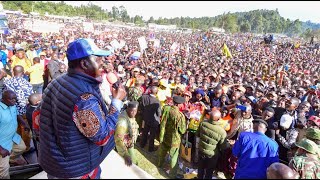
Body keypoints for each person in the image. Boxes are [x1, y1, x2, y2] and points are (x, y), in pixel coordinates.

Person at [38, 38, 127, 179]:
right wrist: (116, 102)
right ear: (84, 63)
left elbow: (38, 119)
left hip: (56, 164)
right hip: (76, 170)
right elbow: (102, 137)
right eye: (98, 60)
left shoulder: (56, 82)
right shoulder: (84, 97)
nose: (102, 64)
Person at [0, 90, 28, 179]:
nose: (15, 101)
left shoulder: (12, 105)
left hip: (12, 137)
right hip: (2, 143)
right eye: (12, 99)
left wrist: (24, 123)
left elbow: (16, 114)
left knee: (22, 148)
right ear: (3, 99)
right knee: (3, 170)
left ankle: (10, 159)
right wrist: (1, 149)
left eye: (15, 99)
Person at [158, 95, 186, 178]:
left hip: (165, 134)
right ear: (179, 104)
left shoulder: (166, 108)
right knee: (174, 155)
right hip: (174, 139)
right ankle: (172, 174)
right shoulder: (180, 116)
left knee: (162, 150)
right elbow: (182, 130)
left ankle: (159, 164)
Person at [196, 110, 229, 179]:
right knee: (209, 171)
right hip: (212, 154)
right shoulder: (221, 131)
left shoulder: (203, 123)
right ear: (219, 119)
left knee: (200, 168)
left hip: (201, 150)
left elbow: (197, 134)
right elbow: (223, 147)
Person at [114, 101, 139, 166]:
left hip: (128, 143)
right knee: (132, 163)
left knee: (134, 162)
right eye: (132, 111)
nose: (134, 113)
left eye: (135, 111)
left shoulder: (129, 115)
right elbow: (118, 139)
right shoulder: (122, 122)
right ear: (127, 108)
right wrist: (125, 154)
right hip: (123, 147)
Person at [139, 86, 161, 152]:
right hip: (154, 121)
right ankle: (150, 148)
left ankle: (142, 144)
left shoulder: (144, 97)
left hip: (146, 118)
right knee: (152, 135)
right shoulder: (157, 102)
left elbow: (141, 106)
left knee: (145, 132)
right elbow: (159, 113)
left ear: (150, 91)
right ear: (156, 92)